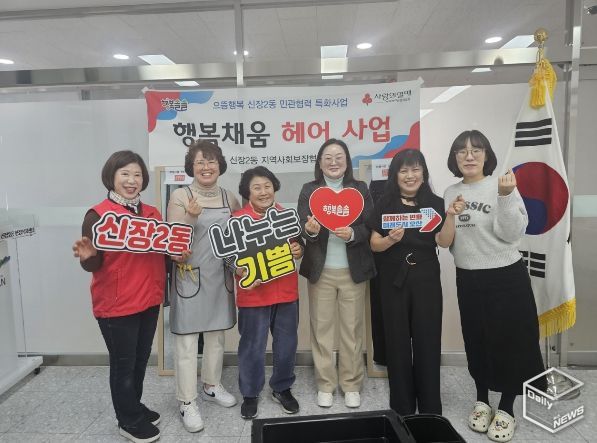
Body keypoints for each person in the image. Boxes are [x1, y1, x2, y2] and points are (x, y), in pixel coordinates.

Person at [438, 130, 545, 442]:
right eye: (462, 151)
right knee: (477, 339)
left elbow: (512, 234)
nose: (469, 156)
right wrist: (451, 215)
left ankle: (507, 408)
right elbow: (446, 241)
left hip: (506, 276)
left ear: (486, 155)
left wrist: (505, 197)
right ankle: (482, 400)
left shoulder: (503, 185)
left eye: (476, 150)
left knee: (510, 342)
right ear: (455, 158)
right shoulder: (450, 191)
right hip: (468, 277)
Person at [72, 150, 181, 443]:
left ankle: (133, 405)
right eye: (125, 174)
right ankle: (128, 420)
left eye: (137, 175)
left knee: (140, 360)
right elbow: (92, 264)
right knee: (123, 365)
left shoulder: (152, 213)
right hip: (117, 304)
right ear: (112, 177)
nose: (132, 180)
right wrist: (88, 257)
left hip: (149, 298)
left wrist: (175, 254)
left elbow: (162, 254)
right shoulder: (98, 215)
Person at [367, 149, 456, 416]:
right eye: (403, 170)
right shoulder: (384, 203)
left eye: (415, 169)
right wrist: (390, 240)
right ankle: (402, 405)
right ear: (395, 175)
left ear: (423, 173)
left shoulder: (436, 203)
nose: (410, 175)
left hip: (426, 276)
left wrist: (451, 216)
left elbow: (444, 242)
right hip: (393, 277)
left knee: (428, 338)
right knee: (397, 340)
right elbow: (374, 244)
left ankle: (430, 406)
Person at [166, 140, 240, 433]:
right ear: (191, 167)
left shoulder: (229, 197)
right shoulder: (180, 196)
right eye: (200, 162)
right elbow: (174, 242)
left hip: (220, 276)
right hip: (190, 276)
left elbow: (238, 237)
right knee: (186, 342)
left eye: (211, 161)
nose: (206, 167)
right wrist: (191, 216)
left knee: (216, 336)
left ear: (219, 165)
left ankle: (212, 385)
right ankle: (187, 401)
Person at [298, 138, 376, 409]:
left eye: (339, 157)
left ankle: (351, 384)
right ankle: (325, 384)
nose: (333, 162)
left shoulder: (360, 188)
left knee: (352, 330)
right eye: (328, 158)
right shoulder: (310, 190)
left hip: (353, 270)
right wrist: (310, 231)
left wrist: (353, 233)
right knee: (321, 329)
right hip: (321, 271)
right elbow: (302, 226)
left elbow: (370, 225)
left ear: (347, 162)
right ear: (320, 163)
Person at [233, 166, 304, 420]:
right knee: (252, 346)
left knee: (286, 344)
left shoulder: (288, 216)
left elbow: (298, 246)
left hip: (286, 291)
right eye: (257, 188)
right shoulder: (237, 220)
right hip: (253, 294)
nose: (263, 192)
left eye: (267, 186)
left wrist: (299, 250)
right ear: (247, 192)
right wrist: (239, 269)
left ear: (274, 188)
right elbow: (229, 257)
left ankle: (282, 387)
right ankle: (250, 393)